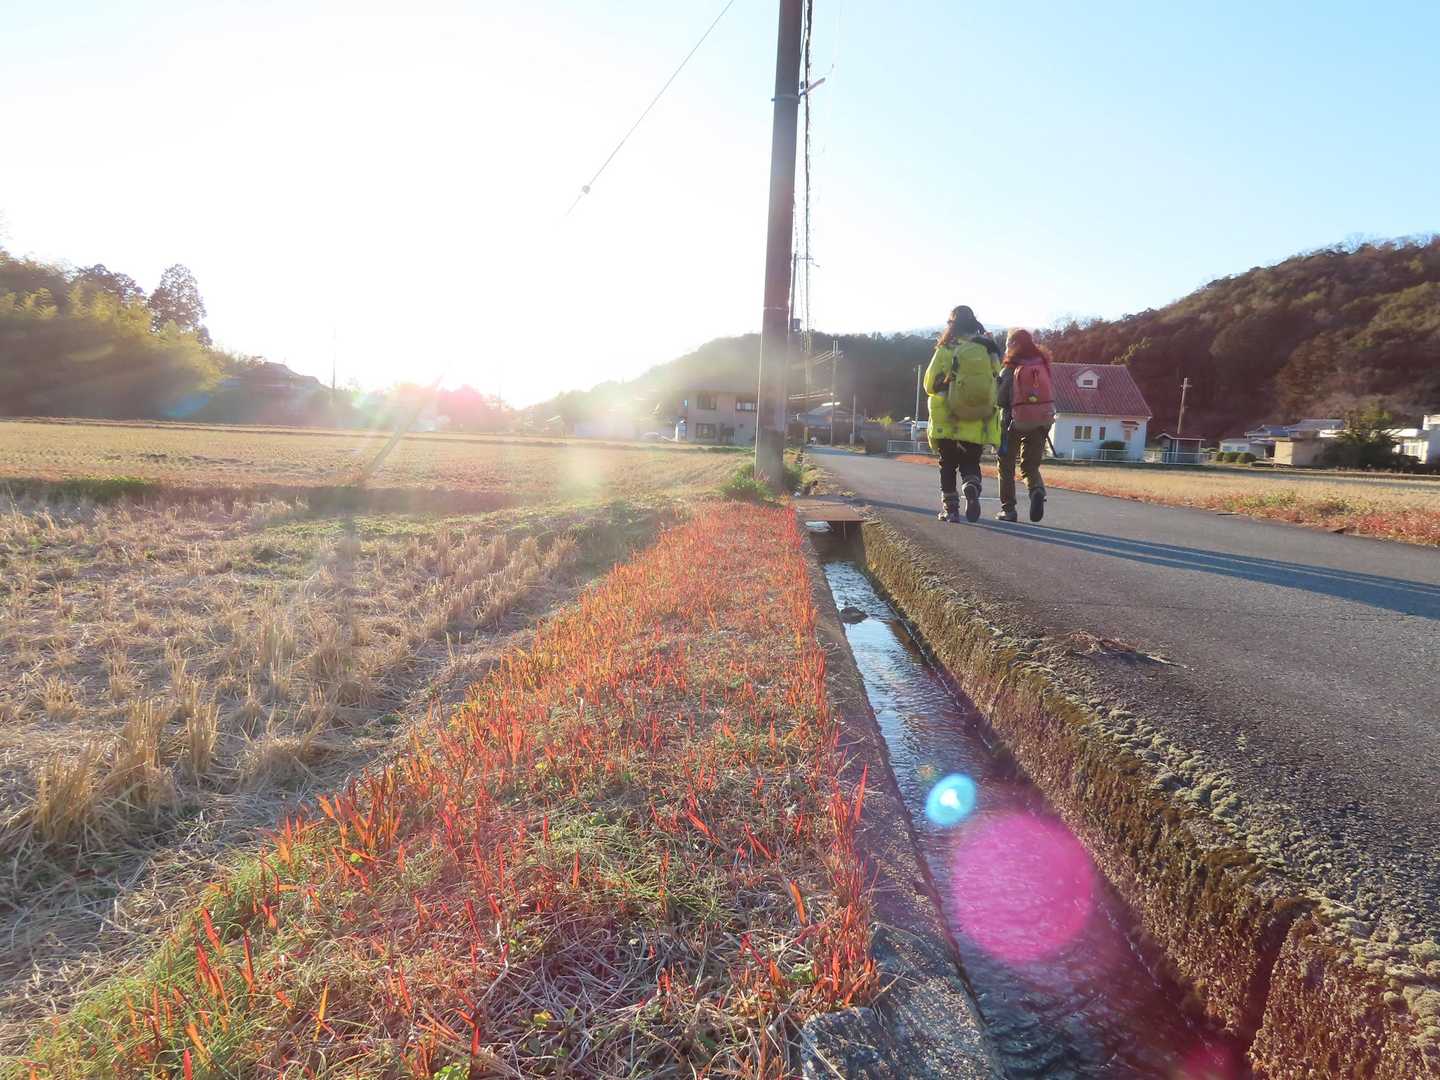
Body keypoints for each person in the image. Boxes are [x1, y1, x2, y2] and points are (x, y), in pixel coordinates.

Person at [923, 305, 1001, 522]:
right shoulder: (987, 350)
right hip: (976, 416)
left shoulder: (946, 349)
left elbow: (929, 385)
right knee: (970, 460)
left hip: (947, 417)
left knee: (947, 464)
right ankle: (971, 484)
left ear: (952, 325)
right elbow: (996, 375)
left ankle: (951, 510)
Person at [996, 328, 1053, 522]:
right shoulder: (1043, 364)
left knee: (1006, 465)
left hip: (1013, 421)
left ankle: (1008, 509)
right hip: (1042, 421)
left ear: (1012, 345)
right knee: (1030, 465)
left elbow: (1000, 399)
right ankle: (1036, 490)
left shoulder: (1010, 367)